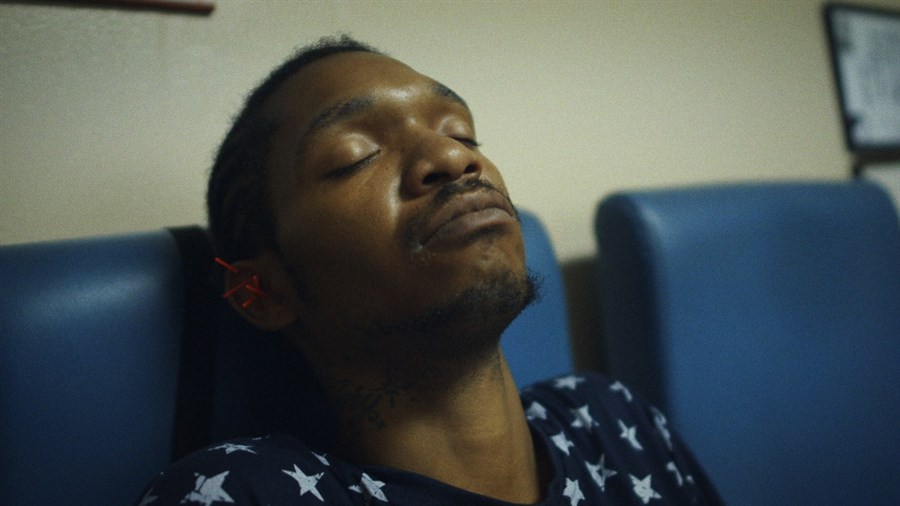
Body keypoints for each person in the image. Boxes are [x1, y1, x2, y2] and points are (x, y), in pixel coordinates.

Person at [136, 35, 723, 505]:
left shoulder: (609, 420)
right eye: (356, 156)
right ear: (261, 292)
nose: (454, 157)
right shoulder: (240, 492)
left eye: (461, 133)